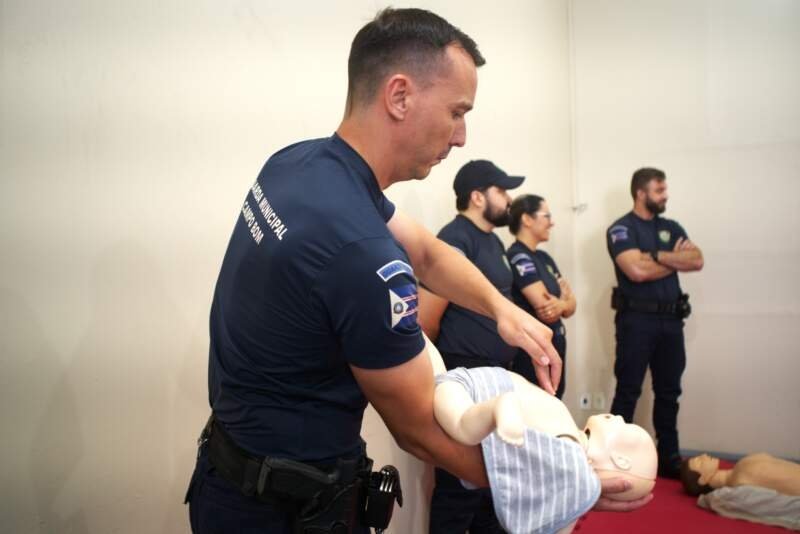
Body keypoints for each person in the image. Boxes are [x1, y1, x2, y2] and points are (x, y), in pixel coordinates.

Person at [184, 8, 571, 534]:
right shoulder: (361, 254)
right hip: (283, 511)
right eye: (457, 112)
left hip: (230, 476)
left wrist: (503, 310)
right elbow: (419, 431)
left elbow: (428, 254)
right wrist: (555, 482)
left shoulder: (298, 163)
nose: (461, 137)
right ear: (400, 96)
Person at [426, 336, 656, 534]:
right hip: (474, 394)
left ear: (621, 461)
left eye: (625, 426)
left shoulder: (571, 452)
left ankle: (496, 406)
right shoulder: (571, 451)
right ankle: (496, 408)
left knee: (454, 411)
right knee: (463, 427)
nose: (618, 417)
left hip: (469, 387)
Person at [417, 159, 533, 532]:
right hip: (466, 373)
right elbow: (427, 318)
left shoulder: (493, 240)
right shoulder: (455, 238)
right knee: (458, 484)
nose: (509, 198)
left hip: (496, 374)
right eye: (502, 191)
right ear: (478, 196)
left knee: (493, 482)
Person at [606, 167, 704, 479]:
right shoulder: (620, 229)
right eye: (659, 191)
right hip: (637, 321)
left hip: (671, 321)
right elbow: (636, 271)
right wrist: (673, 260)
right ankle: (613, 457)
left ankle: (669, 457)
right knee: (628, 390)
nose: (666, 196)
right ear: (641, 193)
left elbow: (697, 260)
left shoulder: (670, 226)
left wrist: (653, 256)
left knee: (669, 392)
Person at [507, 194, 576, 399]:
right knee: (537, 409)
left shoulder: (544, 258)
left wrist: (563, 303)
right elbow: (546, 309)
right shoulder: (518, 256)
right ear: (527, 219)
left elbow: (571, 306)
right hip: (533, 352)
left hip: (555, 343)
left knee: (556, 403)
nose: (551, 222)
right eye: (547, 216)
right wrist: (564, 302)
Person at [681, 453, 800, 497]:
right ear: (703, 479)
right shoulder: (741, 481)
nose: (704, 455)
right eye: (700, 461)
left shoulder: (740, 469)